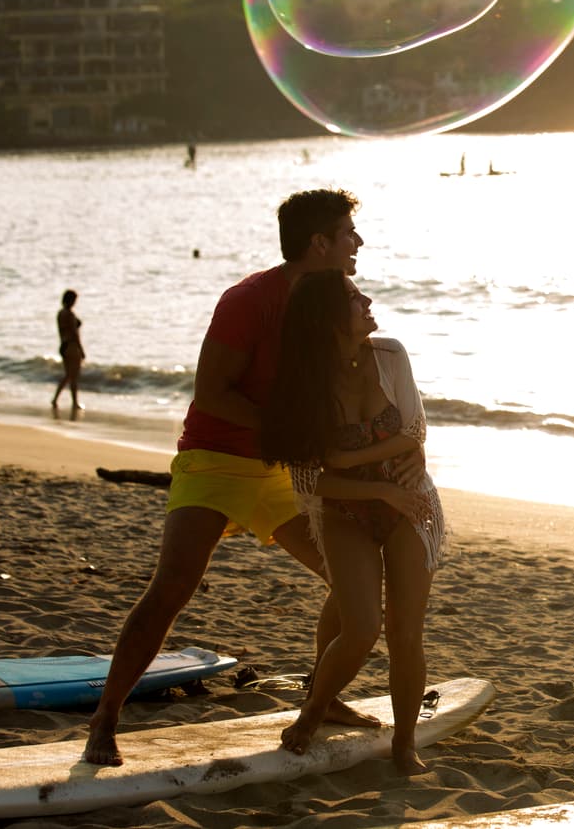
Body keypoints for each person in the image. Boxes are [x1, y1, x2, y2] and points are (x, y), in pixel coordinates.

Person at [82, 189, 421, 766]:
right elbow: (211, 392)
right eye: (347, 233)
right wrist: (287, 433)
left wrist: (406, 450)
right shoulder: (250, 300)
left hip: (287, 470)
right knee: (172, 588)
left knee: (347, 581)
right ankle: (105, 719)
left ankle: (324, 696)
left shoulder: (335, 303)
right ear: (319, 243)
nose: (358, 242)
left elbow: (360, 393)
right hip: (216, 460)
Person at [261, 269, 445, 776]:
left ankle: (404, 745)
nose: (366, 299)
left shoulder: (390, 355)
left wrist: (345, 460)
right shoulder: (307, 383)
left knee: (406, 633)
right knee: (361, 628)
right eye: (351, 297)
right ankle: (314, 710)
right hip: (344, 512)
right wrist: (379, 483)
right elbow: (308, 483)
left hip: (412, 505)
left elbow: (415, 429)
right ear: (325, 316)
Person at [51, 289, 85, 410]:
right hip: (71, 346)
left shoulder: (60, 313)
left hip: (64, 345)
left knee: (68, 375)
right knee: (73, 376)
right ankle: (74, 402)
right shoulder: (69, 314)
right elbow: (74, 333)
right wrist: (81, 349)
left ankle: (56, 399)